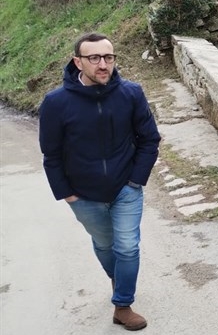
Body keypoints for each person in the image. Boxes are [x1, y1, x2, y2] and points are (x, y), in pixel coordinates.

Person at [38, 33, 161, 331]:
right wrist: (66, 194)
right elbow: (51, 154)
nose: (103, 64)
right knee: (106, 245)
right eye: (94, 58)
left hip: (125, 189)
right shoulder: (56, 102)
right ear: (78, 62)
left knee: (128, 248)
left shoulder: (131, 93)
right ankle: (119, 277)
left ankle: (122, 305)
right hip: (83, 195)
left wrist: (135, 180)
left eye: (108, 57)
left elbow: (149, 139)